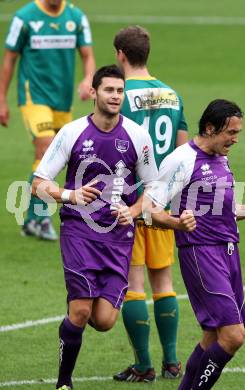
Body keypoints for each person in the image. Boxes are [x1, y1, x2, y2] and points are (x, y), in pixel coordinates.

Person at [31, 64, 194, 390]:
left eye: (119, 91)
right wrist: (69, 195)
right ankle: (64, 382)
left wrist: (134, 210)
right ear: (93, 93)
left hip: (119, 237)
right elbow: (38, 183)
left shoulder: (137, 136)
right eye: (109, 90)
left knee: (104, 321)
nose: (116, 96)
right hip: (79, 231)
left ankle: (80, 305)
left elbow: (153, 188)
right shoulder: (73, 132)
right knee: (80, 311)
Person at [146, 99, 245, 389]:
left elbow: (223, 211)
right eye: (230, 132)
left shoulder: (221, 158)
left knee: (212, 337)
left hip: (229, 252)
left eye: (238, 132)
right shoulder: (182, 159)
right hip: (201, 253)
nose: (235, 139)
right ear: (210, 128)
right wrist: (177, 223)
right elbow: (149, 210)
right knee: (233, 336)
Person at [112, 25, 188, 382]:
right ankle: (172, 361)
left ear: (121, 55)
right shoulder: (173, 96)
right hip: (163, 202)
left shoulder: (118, 95)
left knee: (133, 284)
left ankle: (144, 365)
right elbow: (183, 150)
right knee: (164, 281)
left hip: (128, 203)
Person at [0, 0, 96, 240]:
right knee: (45, 148)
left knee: (53, 157)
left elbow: (88, 56)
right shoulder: (24, 18)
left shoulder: (76, 17)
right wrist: (2, 99)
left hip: (62, 100)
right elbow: (9, 59)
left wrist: (88, 79)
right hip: (34, 96)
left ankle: (31, 220)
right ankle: (42, 218)